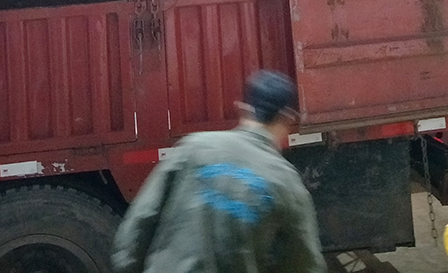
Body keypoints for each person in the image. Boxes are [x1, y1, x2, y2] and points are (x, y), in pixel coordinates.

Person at [111, 70, 326, 273]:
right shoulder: (287, 183)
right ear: (288, 118)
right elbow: (305, 264)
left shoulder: (193, 148)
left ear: (242, 108)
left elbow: (138, 225)